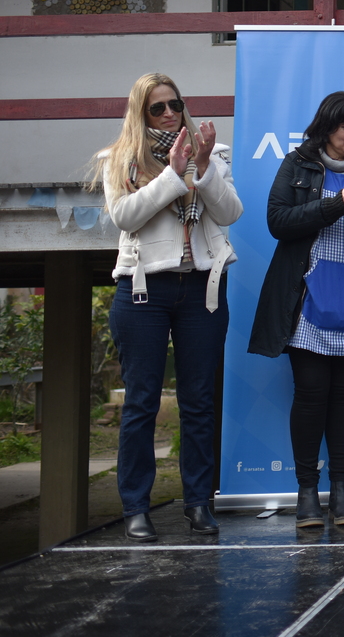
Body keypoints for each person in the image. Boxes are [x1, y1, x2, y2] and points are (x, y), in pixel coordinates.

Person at [95, 72, 242, 541]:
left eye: (174, 104)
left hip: (202, 288)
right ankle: (136, 507)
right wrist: (174, 175)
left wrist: (202, 166)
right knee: (141, 403)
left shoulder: (211, 155)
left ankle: (199, 503)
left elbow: (230, 213)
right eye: (157, 108)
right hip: (143, 292)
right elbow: (125, 216)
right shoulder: (121, 159)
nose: (169, 114)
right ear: (141, 114)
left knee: (200, 401)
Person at [249, 91, 344, 529]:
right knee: (311, 393)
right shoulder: (298, 162)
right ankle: (306, 492)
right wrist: (339, 203)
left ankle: (340, 491)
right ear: (327, 127)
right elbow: (278, 221)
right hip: (305, 297)